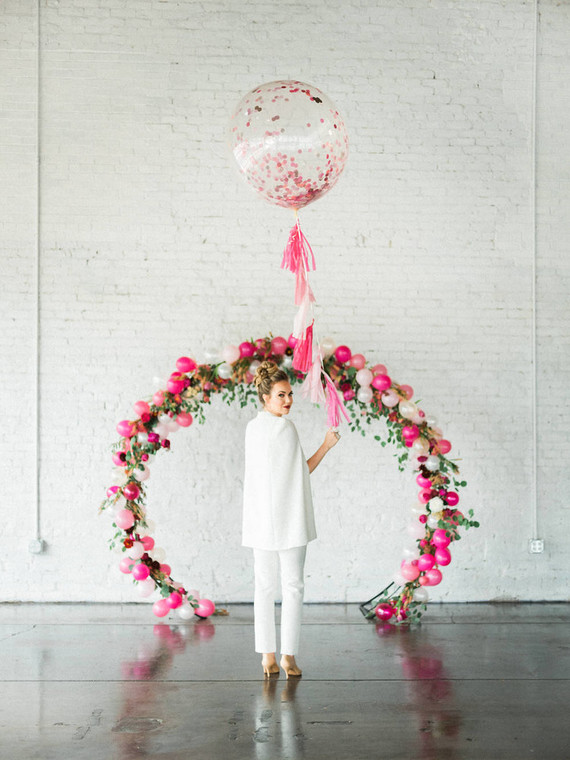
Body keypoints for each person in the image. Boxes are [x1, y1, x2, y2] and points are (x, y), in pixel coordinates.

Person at [242, 360, 340, 678]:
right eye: (282, 395)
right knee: (293, 587)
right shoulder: (285, 428)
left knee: (264, 588)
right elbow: (303, 472)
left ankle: (267, 657)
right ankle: (288, 656)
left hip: (259, 520)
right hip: (287, 519)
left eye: (290, 394)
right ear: (266, 397)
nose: (289, 401)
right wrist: (326, 445)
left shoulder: (253, 428)